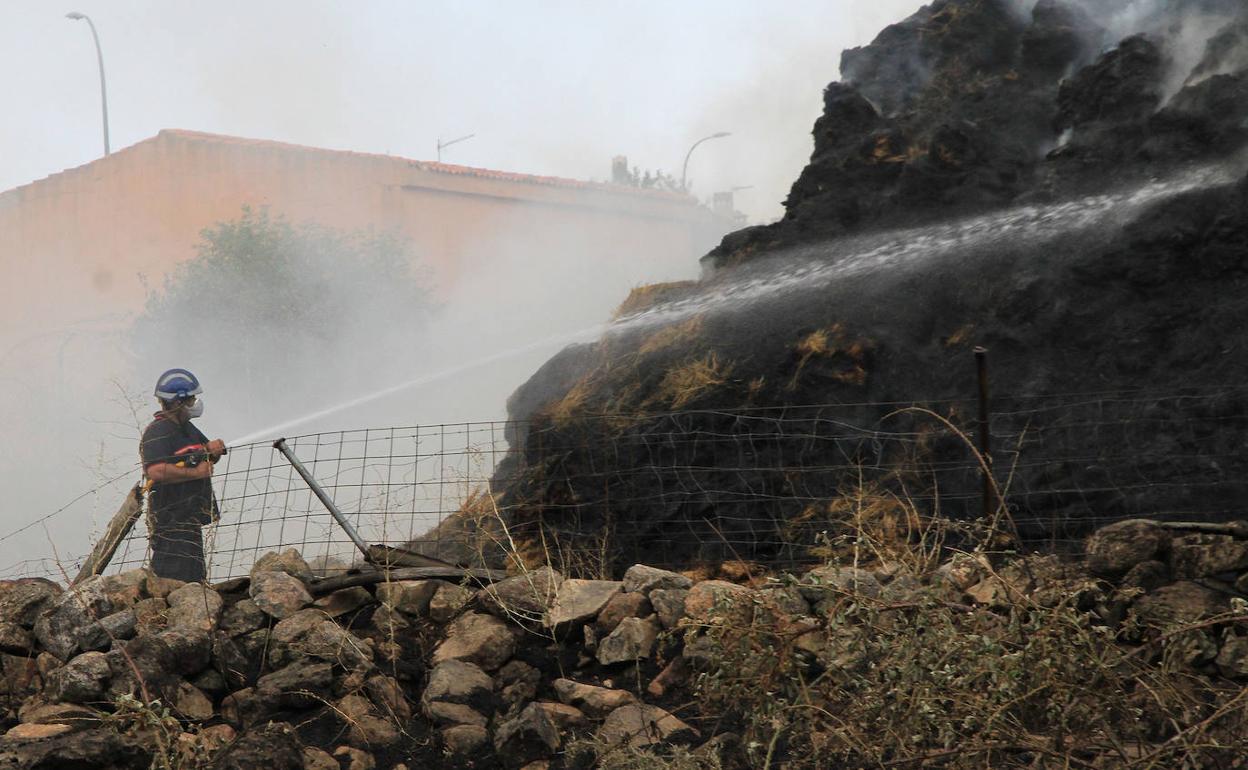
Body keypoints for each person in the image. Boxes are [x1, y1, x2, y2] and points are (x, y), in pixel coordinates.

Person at [139, 369, 225, 582]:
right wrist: (195, 473)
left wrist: (212, 451)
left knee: (195, 578)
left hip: (190, 518)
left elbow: (200, 456)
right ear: (177, 403)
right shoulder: (157, 432)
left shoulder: (187, 429)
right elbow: (156, 471)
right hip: (171, 522)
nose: (195, 403)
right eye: (192, 399)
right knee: (173, 579)